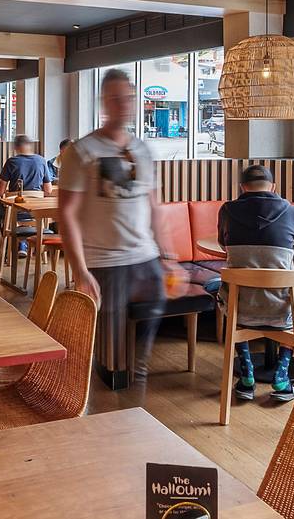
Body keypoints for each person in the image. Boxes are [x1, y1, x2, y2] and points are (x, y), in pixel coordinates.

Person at [57, 68, 185, 390]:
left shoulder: (142, 149)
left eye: (128, 98)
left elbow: (154, 206)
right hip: (104, 260)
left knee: (153, 310)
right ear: (104, 102)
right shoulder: (82, 151)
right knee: (108, 340)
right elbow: (66, 213)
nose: (124, 104)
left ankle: (135, 374)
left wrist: (169, 257)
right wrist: (80, 270)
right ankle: (106, 388)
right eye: (116, 98)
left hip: (145, 256)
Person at [209, 165, 294, 403]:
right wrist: (289, 251)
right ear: (273, 187)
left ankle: (246, 376)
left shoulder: (227, 210)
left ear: (242, 187)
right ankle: (282, 377)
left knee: (224, 289)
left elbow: (224, 246)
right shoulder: (290, 211)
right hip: (281, 312)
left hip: (240, 310)